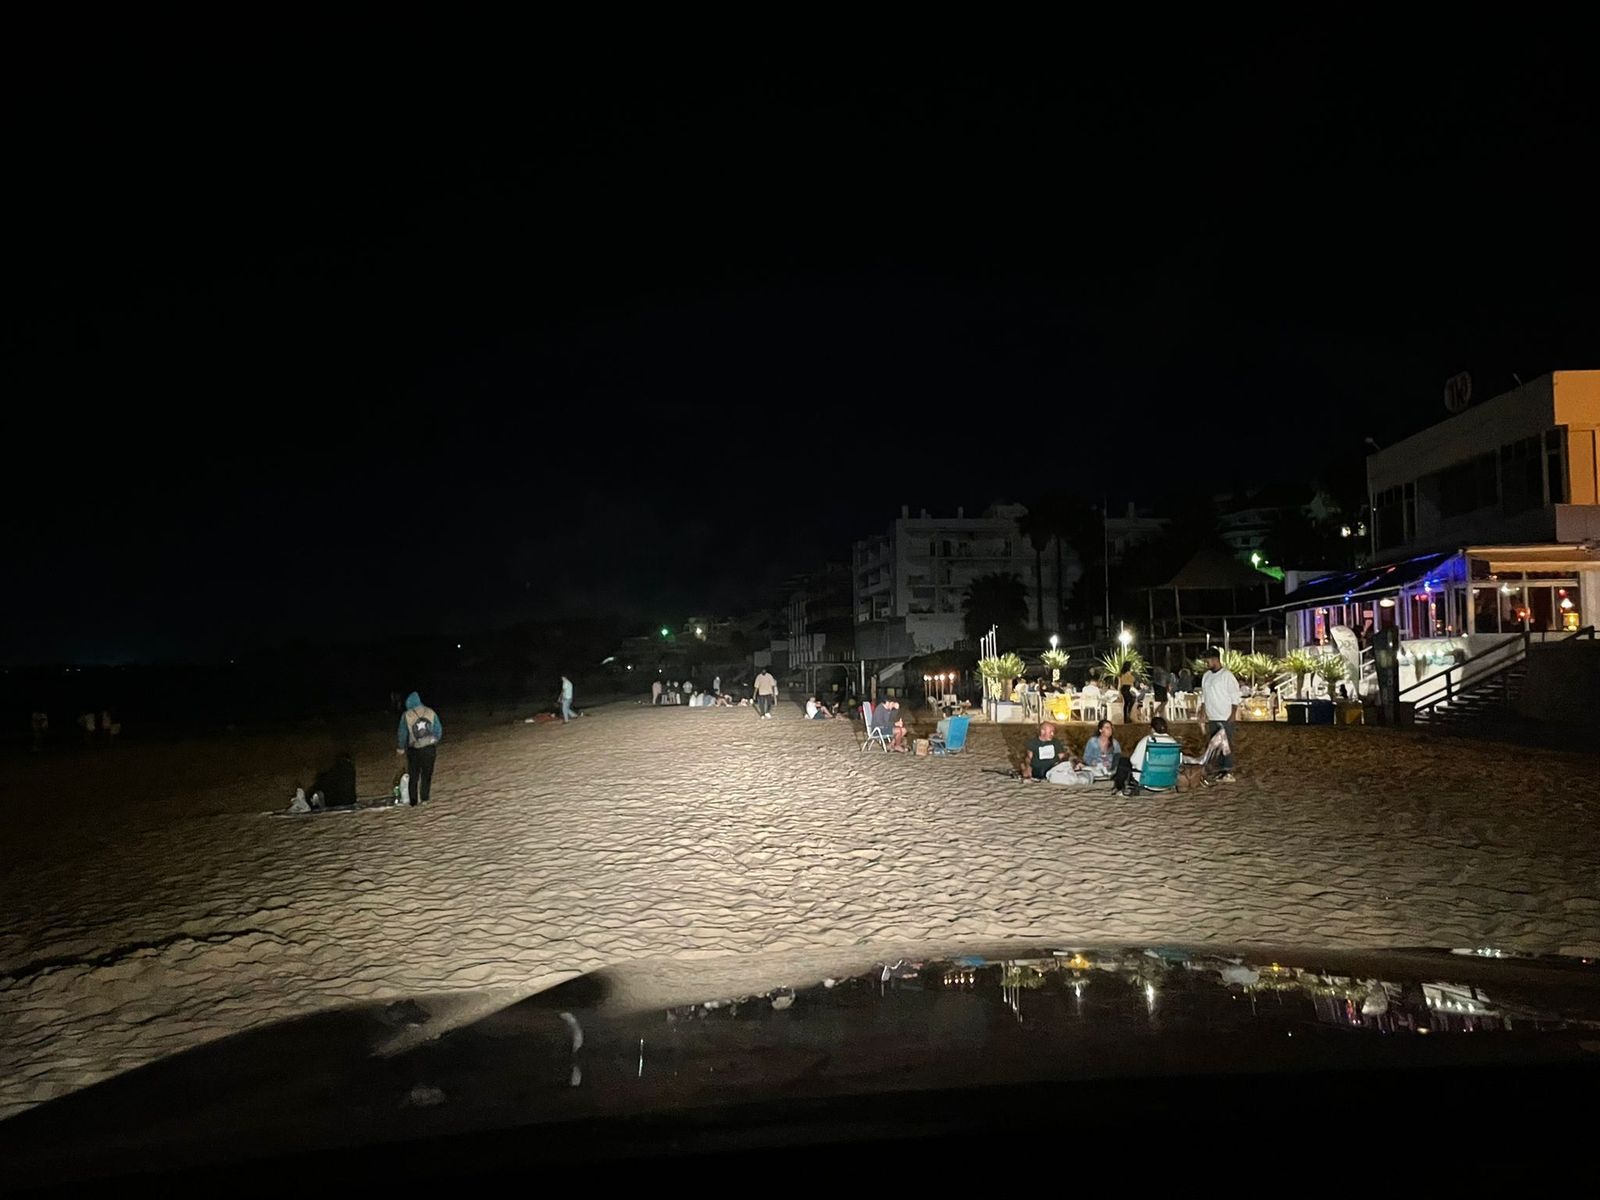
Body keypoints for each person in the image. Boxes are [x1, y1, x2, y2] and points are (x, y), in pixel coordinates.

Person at [1199, 645, 1242, 785]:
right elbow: (1204, 696)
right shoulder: (1206, 676)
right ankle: (1219, 770)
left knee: (1226, 745)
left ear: (1215, 660)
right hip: (1212, 716)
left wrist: (1233, 714)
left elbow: (1235, 696)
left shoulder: (1227, 676)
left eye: (1208, 661)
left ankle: (1228, 771)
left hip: (1225, 716)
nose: (1206, 663)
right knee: (1214, 746)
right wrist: (1202, 711)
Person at [1112, 715, 1180, 796]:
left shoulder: (1147, 740)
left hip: (1147, 781)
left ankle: (1119, 788)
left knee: (1123, 761)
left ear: (1152, 729)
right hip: (1167, 781)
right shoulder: (1173, 742)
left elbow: (1133, 760)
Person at [396, 691, 442, 806]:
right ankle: (425, 799)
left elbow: (402, 733)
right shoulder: (430, 712)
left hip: (414, 750)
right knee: (427, 775)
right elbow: (438, 730)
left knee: (413, 776)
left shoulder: (406, 715)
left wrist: (401, 748)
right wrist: (434, 740)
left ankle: (413, 801)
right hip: (429, 749)